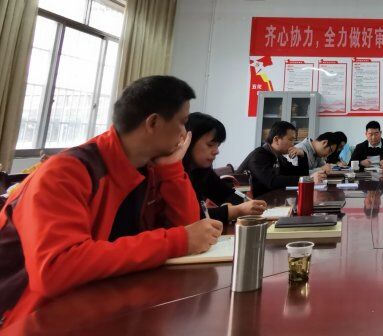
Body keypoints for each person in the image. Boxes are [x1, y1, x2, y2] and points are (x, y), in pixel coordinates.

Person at [0, 75, 222, 327]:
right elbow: (56, 269)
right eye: (182, 123)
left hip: (105, 307)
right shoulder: (67, 172)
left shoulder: (149, 168)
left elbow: (191, 231)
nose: (184, 134)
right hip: (33, 319)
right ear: (153, 123)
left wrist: (171, 169)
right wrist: (178, 240)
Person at [183, 112, 266, 223]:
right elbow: (194, 216)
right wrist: (236, 210)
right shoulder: (177, 174)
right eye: (210, 145)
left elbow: (225, 193)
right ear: (188, 141)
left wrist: (249, 204)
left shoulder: (202, 171)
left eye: (218, 145)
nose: (216, 151)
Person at [238, 120, 309, 196]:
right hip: (246, 201)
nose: (293, 144)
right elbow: (272, 181)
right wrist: (306, 179)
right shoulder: (259, 155)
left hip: (266, 198)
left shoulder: (278, 157)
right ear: (276, 140)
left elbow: (299, 174)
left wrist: (302, 155)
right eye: (290, 140)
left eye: (294, 140)